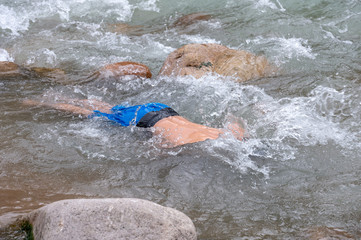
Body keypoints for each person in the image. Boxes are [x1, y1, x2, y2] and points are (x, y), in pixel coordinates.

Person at [23, 99, 247, 147]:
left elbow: (236, 123)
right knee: (89, 114)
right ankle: (46, 104)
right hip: (143, 119)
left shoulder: (224, 133)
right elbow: (156, 149)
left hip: (161, 108)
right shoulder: (181, 143)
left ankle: (59, 97)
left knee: (110, 108)